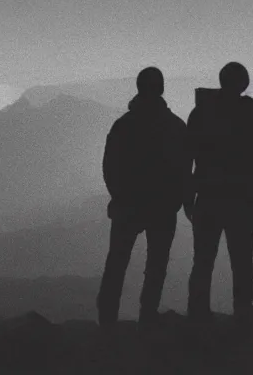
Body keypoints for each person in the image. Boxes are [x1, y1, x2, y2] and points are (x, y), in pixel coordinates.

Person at [185, 62, 253, 332]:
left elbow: (187, 158)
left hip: (208, 196)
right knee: (242, 260)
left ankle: (198, 315)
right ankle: (243, 314)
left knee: (202, 259)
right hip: (242, 196)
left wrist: (187, 196)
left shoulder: (200, 112)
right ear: (244, 84)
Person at [97, 67, 191, 329]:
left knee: (116, 264)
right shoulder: (175, 126)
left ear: (138, 88)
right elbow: (185, 168)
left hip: (127, 206)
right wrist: (178, 201)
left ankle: (107, 325)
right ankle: (147, 321)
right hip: (162, 208)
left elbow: (109, 167)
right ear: (161, 89)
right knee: (156, 266)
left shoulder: (123, 125)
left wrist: (120, 196)